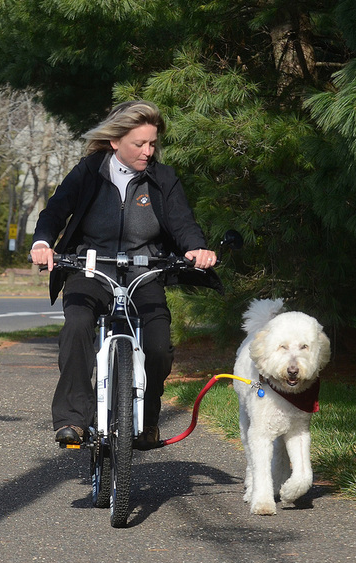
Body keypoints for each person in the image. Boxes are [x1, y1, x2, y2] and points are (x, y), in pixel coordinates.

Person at [30, 100, 218, 450]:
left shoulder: (163, 179)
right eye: (139, 144)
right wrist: (43, 242)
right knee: (77, 326)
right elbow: (55, 211)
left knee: (159, 347)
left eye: (152, 144)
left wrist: (196, 248)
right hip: (90, 269)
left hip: (143, 274)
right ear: (115, 141)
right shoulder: (88, 171)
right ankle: (73, 420)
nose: (148, 151)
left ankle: (146, 422)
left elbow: (182, 223)